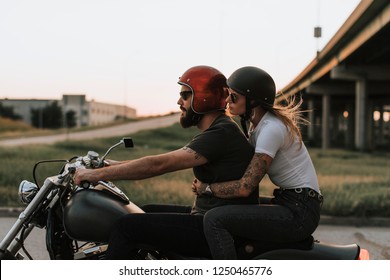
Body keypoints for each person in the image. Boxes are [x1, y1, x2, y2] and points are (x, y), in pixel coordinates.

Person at [74, 65, 255, 259]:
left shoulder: (221, 133)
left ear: (204, 97)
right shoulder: (220, 129)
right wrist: (108, 165)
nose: (179, 101)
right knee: (142, 212)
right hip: (205, 216)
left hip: (213, 229)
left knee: (126, 226)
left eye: (185, 95)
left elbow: (159, 164)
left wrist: (97, 174)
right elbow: (160, 160)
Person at [193, 66, 323, 259]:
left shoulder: (271, 129)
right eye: (228, 95)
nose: (228, 100)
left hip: (300, 211)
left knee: (215, 219)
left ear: (253, 100)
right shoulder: (258, 126)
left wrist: (207, 188)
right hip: (291, 202)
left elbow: (245, 187)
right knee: (229, 209)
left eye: (234, 96)